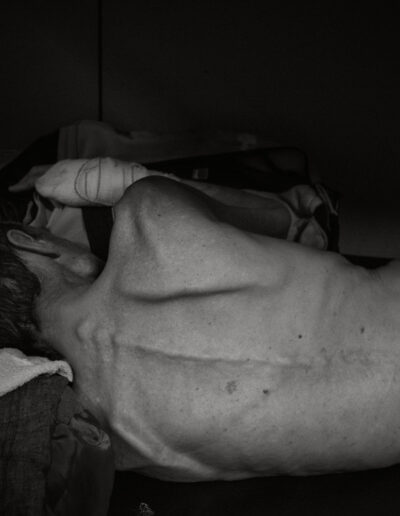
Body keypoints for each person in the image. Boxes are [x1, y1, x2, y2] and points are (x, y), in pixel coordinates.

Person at [2, 158, 399, 482]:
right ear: (28, 240)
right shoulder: (148, 215)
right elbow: (292, 220)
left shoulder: (112, 437)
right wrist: (122, 181)